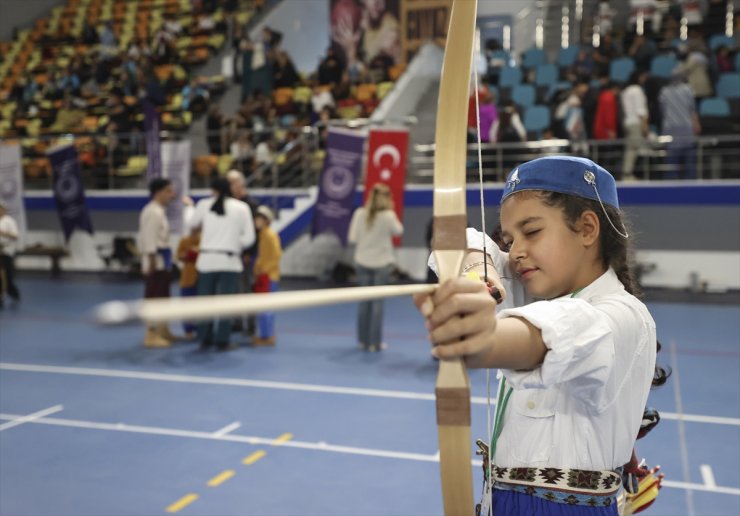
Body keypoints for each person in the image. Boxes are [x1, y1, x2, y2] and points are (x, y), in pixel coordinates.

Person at [415, 156, 663, 514]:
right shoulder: (534, 289)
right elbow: (452, 239)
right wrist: (478, 272)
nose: (516, 252)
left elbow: (551, 336)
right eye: (508, 239)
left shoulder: (623, 315)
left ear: (588, 229)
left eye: (531, 232)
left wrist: (483, 338)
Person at [188, 177, 255, 351]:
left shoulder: (203, 205)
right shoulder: (242, 208)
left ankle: (204, 338)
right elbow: (249, 239)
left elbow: (191, 224)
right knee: (226, 303)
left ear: (213, 189)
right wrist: (232, 243)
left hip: (206, 260)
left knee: (204, 302)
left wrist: (189, 208)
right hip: (229, 260)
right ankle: (222, 340)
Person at [348, 183, 403, 352]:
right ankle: (375, 343)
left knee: (364, 302)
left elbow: (352, 238)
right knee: (377, 304)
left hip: (362, 262)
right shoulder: (388, 215)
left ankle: (363, 341)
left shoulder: (359, 214)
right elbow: (399, 231)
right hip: (382, 263)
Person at [138, 178, 178, 347]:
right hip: (156, 261)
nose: (172, 195)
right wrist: (152, 262)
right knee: (153, 297)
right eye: (168, 191)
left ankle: (163, 329)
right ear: (158, 192)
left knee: (163, 296)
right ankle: (151, 334)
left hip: (164, 261)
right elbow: (149, 238)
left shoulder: (160, 211)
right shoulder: (152, 211)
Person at [226, 169, 259, 336]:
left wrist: (248, 252)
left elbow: (255, 231)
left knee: (248, 289)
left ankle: (251, 324)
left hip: (246, 254)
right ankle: (237, 322)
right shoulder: (228, 204)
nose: (230, 186)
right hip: (231, 253)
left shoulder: (251, 205)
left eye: (233, 182)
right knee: (233, 289)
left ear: (241, 183)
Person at [659, 68, 701, 179]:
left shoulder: (665, 92)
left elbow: (662, 112)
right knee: (680, 167)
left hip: (677, 131)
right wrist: (696, 124)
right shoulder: (687, 90)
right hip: (680, 131)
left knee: (681, 167)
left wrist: (695, 124)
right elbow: (693, 111)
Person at [252, 205, 282, 346]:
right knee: (263, 307)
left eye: (259, 218)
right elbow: (263, 256)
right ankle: (265, 335)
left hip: (269, 276)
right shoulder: (263, 235)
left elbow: (276, 256)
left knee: (266, 308)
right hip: (264, 275)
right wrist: (257, 266)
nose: (256, 221)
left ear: (266, 220)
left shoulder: (270, 235)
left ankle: (267, 337)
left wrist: (263, 269)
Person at [621, 71, 650, 180]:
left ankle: (628, 173)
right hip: (636, 123)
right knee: (633, 149)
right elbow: (640, 110)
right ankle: (627, 174)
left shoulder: (626, 91)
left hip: (628, 122)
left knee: (632, 148)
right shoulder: (637, 90)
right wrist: (645, 125)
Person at [176, 226, 200, 340]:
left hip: (201, 277)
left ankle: (201, 329)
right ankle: (188, 330)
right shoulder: (184, 240)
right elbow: (179, 256)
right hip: (187, 278)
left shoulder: (205, 240)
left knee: (201, 306)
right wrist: (190, 253)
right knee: (187, 305)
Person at [0, 201, 20, 308]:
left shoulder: (9, 221)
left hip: (6, 250)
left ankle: (13, 293)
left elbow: (15, 236)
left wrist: (3, 233)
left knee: (7, 276)